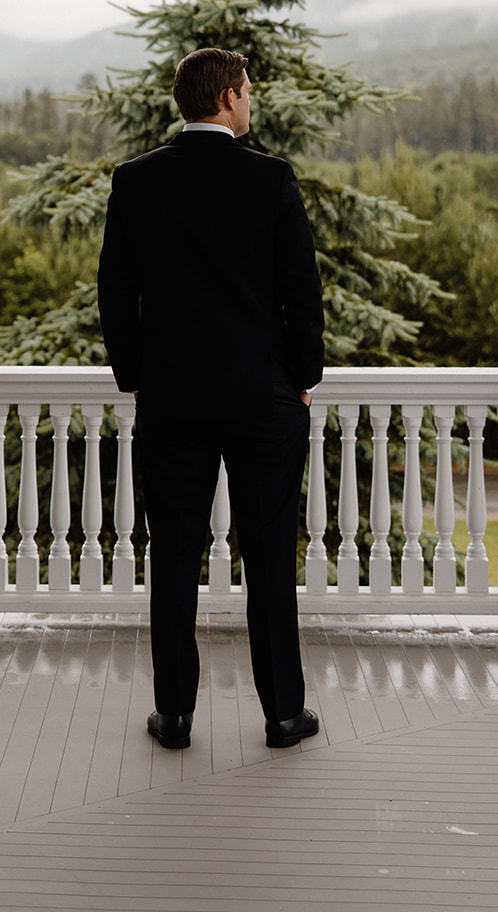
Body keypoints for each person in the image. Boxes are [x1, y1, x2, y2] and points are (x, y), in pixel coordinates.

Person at [97, 46, 325, 750]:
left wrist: (133, 374)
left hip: (171, 399)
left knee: (171, 559)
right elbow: (301, 292)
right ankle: (283, 714)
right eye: (247, 90)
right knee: (267, 559)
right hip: (263, 399)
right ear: (226, 98)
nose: (250, 101)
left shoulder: (135, 181)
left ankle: (174, 715)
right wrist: (303, 378)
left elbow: (114, 291)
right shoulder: (271, 179)